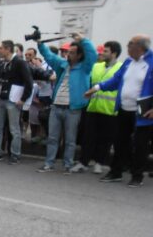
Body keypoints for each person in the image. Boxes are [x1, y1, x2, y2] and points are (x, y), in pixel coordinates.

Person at [87, 34, 153, 187]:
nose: (128, 48)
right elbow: (116, 80)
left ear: (140, 47)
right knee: (119, 142)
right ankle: (116, 172)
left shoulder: (151, 62)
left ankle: (137, 176)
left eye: (130, 44)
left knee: (140, 145)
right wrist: (97, 88)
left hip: (143, 112)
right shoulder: (128, 62)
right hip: (124, 108)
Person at [36, 33, 97, 173]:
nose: (68, 55)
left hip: (72, 109)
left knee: (70, 140)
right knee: (52, 138)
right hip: (56, 107)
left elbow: (92, 53)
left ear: (80, 55)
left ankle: (68, 164)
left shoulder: (85, 67)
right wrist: (40, 43)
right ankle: (48, 163)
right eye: (68, 52)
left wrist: (82, 39)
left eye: (72, 53)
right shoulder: (62, 65)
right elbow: (50, 56)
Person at [77, 41, 123, 174]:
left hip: (110, 109)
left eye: (106, 51)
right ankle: (83, 162)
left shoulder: (121, 68)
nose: (102, 53)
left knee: (105, 139)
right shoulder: (96, 66)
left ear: (114, 53)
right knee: (88, 137)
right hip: (93, 107)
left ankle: (99, 162)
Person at [0, 40, 33, 164]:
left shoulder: (19, 62)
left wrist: (23, 99)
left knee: (14, 128)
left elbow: (29, 82)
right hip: (1, 97)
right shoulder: (3, 63)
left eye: (1, 48)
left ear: (7, 49)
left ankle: (15, 155)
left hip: (13, 99)